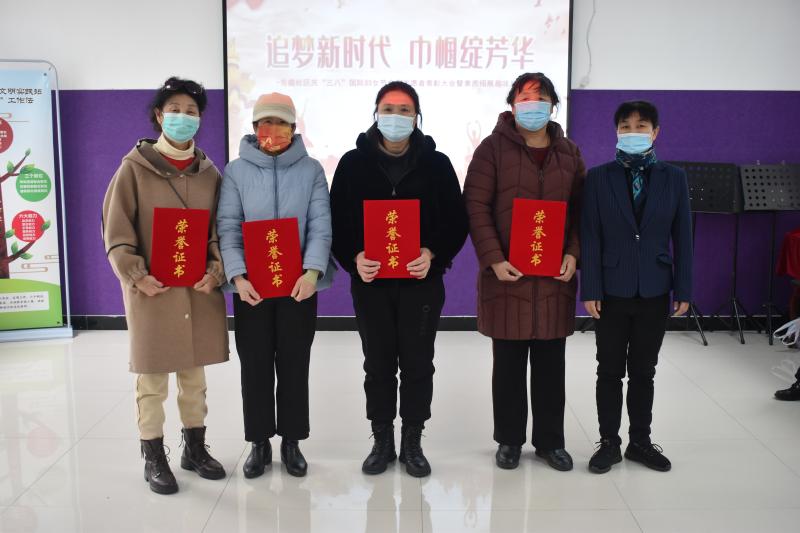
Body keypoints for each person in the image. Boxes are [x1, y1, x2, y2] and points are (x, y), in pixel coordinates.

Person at [330, 81, 468, 477]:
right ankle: (381, 439)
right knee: (377, 363)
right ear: (376, 114)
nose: (396, 117)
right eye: (388, 109)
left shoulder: (437, 164)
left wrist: (432, 253)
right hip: (371, 282)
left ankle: (412, 440)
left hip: (421, 282)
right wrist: (354, 257)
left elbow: (456, 221)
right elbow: (336, 220)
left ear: (417, 117)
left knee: (418, 363)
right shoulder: (352, 164)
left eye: (405, 110)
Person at [102, 77, 228, 495]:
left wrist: (217, 269)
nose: (182, 117)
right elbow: (117, 232)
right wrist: (136, 274)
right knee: (152, 378)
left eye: (191, 111)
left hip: (197, 289)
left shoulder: (210, 174)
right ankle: (153, 456)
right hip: (152, 291)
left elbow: (220, 230)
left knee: (194, 376)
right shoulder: (133, 169)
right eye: (174, 110)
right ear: (159, 115)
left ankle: (194, 448)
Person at [464, 72, 585, 472]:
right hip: (506, 277)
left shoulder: (570, 153)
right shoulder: (491, 150)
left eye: (541, 98)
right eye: (525, 97)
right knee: (509, 368)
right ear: (512, 104)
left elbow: (582, 212)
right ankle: (509, 440)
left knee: (551, 367)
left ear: (553, 105)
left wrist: (573, 253)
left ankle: (550, 442)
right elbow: (476, 207)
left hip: (554, 280)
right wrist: (494, 259)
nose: (533, 105)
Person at [217, 92, 334, 479]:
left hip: (299, 286)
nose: (273, 129)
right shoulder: (236, 171)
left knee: (295, 364)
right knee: (254, 366)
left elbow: (320, 224)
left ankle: (292, 440)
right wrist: (237, 276)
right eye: (265, 122)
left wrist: (312, 272)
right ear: (254, 127)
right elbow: (228, 227)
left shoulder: (311, 170)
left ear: (293, 127)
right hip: (252, 288)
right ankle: (259, 441)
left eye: (281, 122)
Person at [581, 100, 693, 473]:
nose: (633, 132)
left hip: (655, 288)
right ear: (616, 132)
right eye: (625, 126)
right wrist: (590, 288)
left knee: (644, 371)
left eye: (641, 126)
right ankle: (609, 443)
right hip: (611, 290)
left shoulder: (674, 177)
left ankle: (640, 442)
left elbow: (684, 236)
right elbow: (591, 235)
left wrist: (684, 288)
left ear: (655, 132)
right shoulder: (598, 177)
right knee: (609, 370)